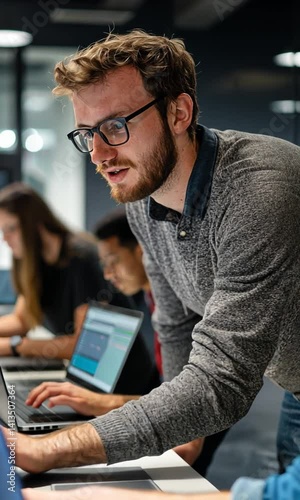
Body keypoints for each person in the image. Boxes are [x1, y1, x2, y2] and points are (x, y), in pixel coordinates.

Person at [6, 29, 300, 475]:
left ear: (178, 112)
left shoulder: (258, 191)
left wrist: (52, 448)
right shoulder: (146, 200)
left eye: (115, 126)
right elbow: (176, 321)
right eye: (87, 133)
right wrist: (185, 426)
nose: (98, 154)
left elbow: (221, 381)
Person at [26, 208, 229, 475]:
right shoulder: (154, 301)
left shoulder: (185, 310)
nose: (108, 274)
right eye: (104, 265)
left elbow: (187, 409)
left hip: (204, 412)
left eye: (113, 261)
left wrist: (100, 403)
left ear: (142, 251)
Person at [0, 182, 112, 360]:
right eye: (2, 231)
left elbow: (85, 345)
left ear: (35, 223)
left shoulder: (81, 258)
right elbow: (22, 320)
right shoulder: (37, 262)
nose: (5, 239)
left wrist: (14, 346)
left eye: (11, 229)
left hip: (121, 380)